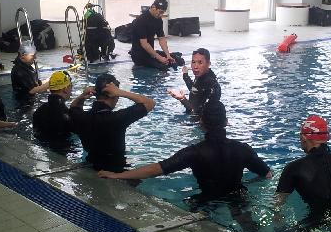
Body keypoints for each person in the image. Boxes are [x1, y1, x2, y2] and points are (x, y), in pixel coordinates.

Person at [98, 100, 272, 202]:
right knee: (247, 224)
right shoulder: (243, 149)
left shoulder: (194, 152)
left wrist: (117, 175)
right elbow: (267, 174)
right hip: (238, 197)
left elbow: (156, 169)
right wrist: (249, 183)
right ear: (226, 122)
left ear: (201, 122)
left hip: (207, 201)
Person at [69, 73, 155, 171]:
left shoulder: (81, 117)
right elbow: (150, 103)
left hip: (91, 166)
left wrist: (82, 96)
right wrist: (121, 92)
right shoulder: (117, 119)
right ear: (114, 95)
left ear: (96, 94)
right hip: (116, 171)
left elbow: (73, 107)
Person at [129, 0, 180, 70]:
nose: (160, 14)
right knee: (164, 67)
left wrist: (168, 55)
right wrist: (159, 58)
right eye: (160, 12)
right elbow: (144, 44)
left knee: (177, 61)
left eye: (162, 12)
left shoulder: (158, 20)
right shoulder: (141, 20)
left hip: (150, 53)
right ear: (153, 7)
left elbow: (161, 39)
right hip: (139, 56)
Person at [168, 48, 221, 115]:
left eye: (200, 62)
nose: (195, 66)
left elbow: (195, 112)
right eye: (193, 62)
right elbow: (195, 90)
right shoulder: (205, 75)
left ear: (208, 63)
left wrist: (182, 99)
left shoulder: (208, 83)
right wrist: (185, 76)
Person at [32, 70, 74, 140]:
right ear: (65, 89)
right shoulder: (66, 114)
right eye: (71, 86)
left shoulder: (38, 111)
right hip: (63, 146)